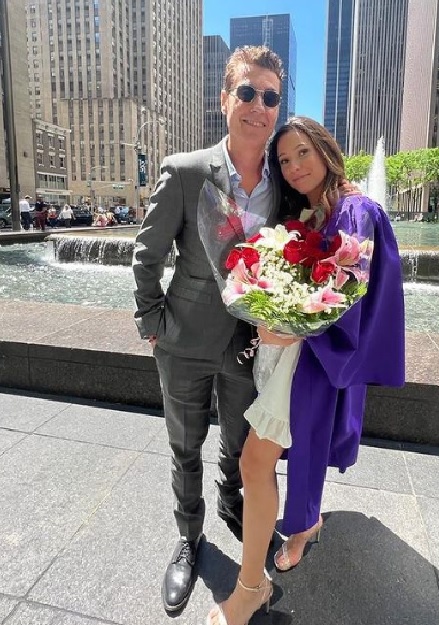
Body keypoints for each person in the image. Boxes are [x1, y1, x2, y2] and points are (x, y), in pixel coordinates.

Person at [206, 115, 405, 624]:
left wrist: (297, 329)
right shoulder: (313, 213)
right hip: (292, 356)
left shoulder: (356, 210)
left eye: (302, 153)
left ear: (324, 149)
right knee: (274, 456)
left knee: (261, 460)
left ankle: (256, 582)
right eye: (284, 160)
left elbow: (350, 292)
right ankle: (302, 526)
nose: (294, 167)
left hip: (311, 358)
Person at [133, 45, 284, 614]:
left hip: (250, 345)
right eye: (247, 92)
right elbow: (146, 256)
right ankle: (187, 536)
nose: (258, 106)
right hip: (183, 342)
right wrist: (152, 322)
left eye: (269, 96)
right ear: (225, 99)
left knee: (241, 445)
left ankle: (232, 500)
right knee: (184, 446)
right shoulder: (186, 170)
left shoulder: (284, 182)